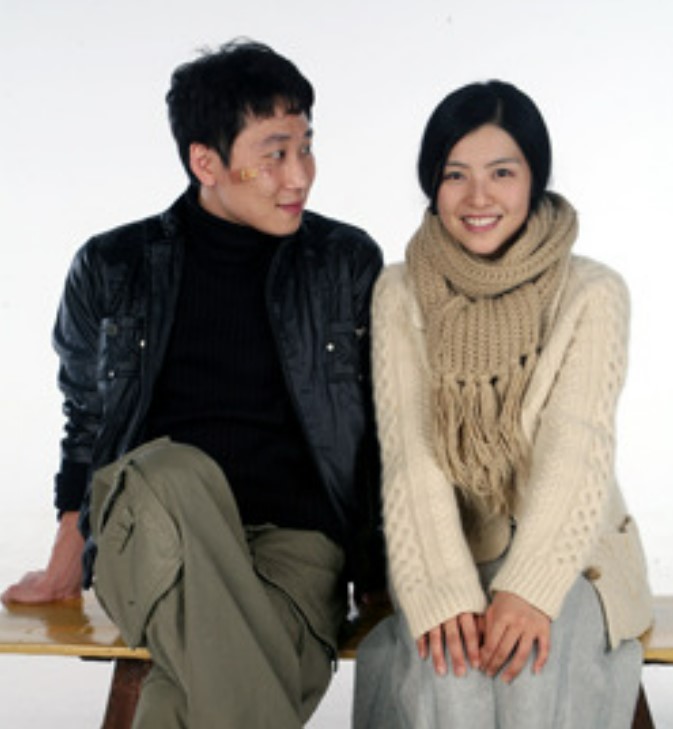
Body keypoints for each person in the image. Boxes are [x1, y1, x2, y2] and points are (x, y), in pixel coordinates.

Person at [2, 39, 385, 728]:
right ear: (205, 161)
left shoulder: (343, 262)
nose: (299, 175)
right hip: (155, 533)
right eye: (274, 154)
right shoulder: (113, 266)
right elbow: (87, 419)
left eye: (306, 147)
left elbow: (384, 427)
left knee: (183, 697)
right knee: (174, 471)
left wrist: (381, 574)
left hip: (295, 543)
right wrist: (65, 559)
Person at [353, 81, 653, 729]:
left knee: (532, 668)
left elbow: (576, 447)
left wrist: (529, 588)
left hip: (573, 552)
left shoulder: (593, 291)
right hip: (446, 547)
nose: (478, 197)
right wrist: (440, 590)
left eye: (501, 173)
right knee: (449, 671)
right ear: (432, 184)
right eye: (454, 174)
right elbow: (411, 454)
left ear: (534, 178)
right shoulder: (399, 290)